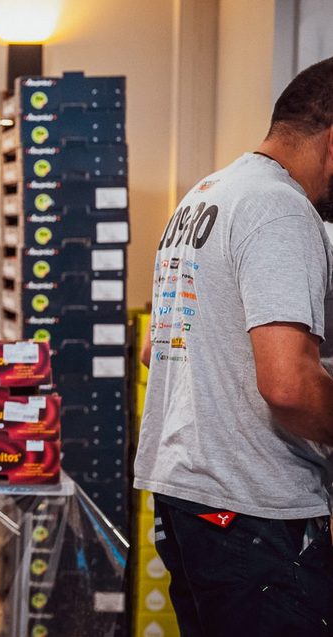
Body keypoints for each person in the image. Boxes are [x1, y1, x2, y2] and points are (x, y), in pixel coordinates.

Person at [135, 57, 333, 635]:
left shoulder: (205, 195)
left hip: (192, 504)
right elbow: (289, 387)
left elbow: (157, 350)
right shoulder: (280, 209)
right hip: (257, 513)